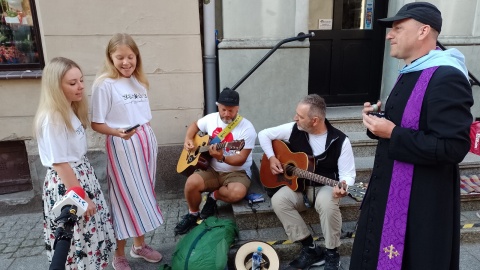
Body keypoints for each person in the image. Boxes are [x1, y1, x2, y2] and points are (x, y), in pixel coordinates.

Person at [350, 3, 473, 270]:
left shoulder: (446, 76)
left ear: (423, 31)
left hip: (420, 204)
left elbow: (453, 147)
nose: (389, 35)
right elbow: (409, 126)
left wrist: (393, 132)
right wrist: (378, 124)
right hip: (389, 190)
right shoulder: (411, 71)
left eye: (397, 28)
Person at [33, 57, 116, 269]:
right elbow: (60, 163)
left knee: (89, 236)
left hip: (80, 178)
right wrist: (83, 197)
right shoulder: (53, 118)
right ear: (55, 86)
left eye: (81, 80)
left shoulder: (68, 109)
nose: (80, 86)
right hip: (69, 185)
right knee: (77, 239)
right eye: (72, 83)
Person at [90, 33, 164, 270]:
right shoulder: (104, 84)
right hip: (122, 143)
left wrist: (146, 137)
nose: (126, 62)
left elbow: (142, 116)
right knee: (123, 198)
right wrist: (117, 133)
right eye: (119, 57)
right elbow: (96, 123)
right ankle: (119, 254)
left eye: (130, 57)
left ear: (136, 57)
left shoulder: (138, 81)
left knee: (144, 194)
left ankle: (139, 245)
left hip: (145, 140)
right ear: (110, 58)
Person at [258, 94, 356, 270]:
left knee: (328, 204)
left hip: (326, 186)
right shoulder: (294, 129)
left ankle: (332, 252)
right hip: (299, 187)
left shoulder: (340, 141)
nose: (295, 118)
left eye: (300, 116)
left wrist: (343, 187)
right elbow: (263, 134)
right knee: (279, 200)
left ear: (315, 120)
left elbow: (348, 174)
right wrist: (272, 158)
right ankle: (310, 248)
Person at [174, 88, 257, 235]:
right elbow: (194, 125)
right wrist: (188, 139)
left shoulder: (247, 128)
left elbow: (241, 158)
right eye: (223, 109)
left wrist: (222, 157)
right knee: (191, 183)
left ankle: (214, 197)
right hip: (211, 168)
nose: (227, 114)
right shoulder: (211, 118)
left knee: (237, 193)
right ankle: (193, 214)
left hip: (237, 172)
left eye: (231, 110)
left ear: (238, 108)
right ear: (218, 105)